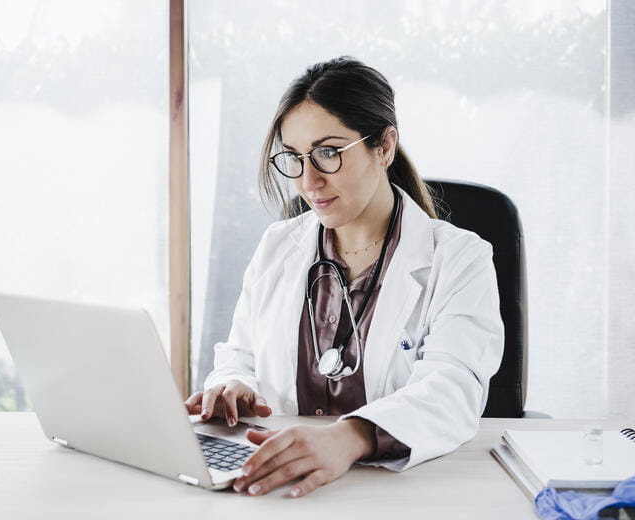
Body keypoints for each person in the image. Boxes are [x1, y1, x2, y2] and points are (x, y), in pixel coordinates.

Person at [184, 56, 504, 498]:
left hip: (401, 492)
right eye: (294, 158)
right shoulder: (277, 247)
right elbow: (239, 357)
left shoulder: (460, 259)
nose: (309, 181)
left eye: (328, 153)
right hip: (284, 487)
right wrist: (234, 387)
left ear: (385, 146)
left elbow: (453, 389)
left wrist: (349, 437)